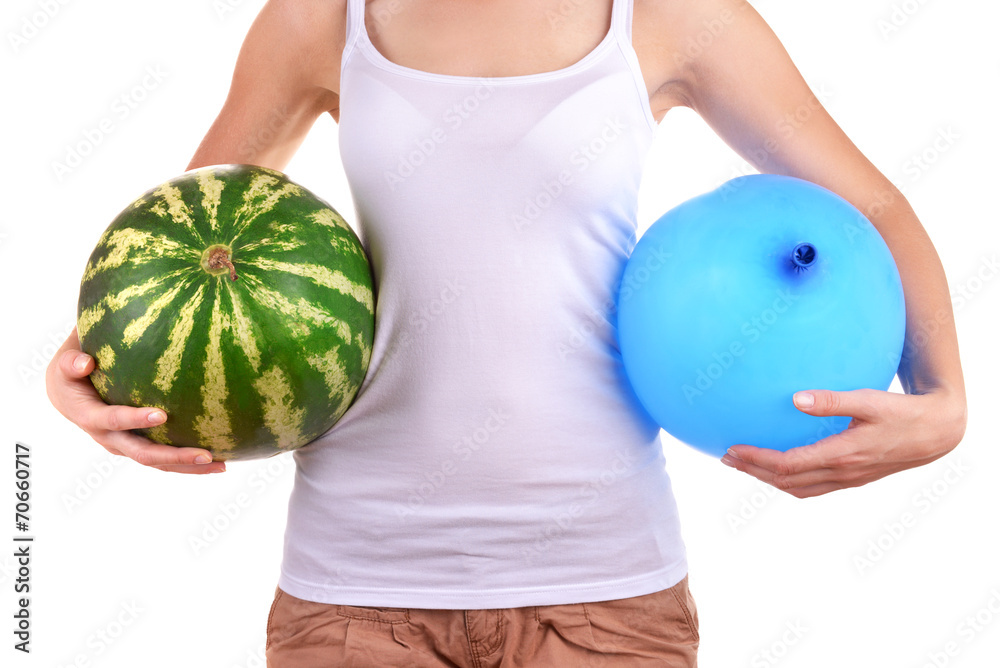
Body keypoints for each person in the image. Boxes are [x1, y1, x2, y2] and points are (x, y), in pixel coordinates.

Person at [47, 0, 968, 665]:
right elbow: (180, 254)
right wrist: (83, 373)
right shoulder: (320, 20)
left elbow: (874, 208)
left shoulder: (672, 17)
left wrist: (946, 403)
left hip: (607, 602)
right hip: (358, 599)